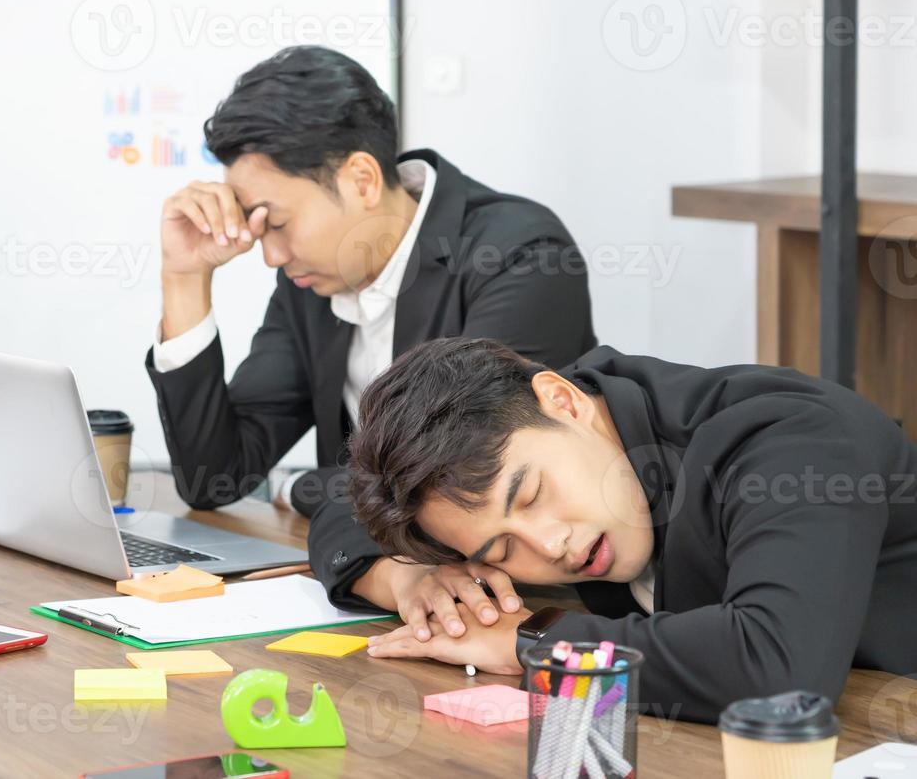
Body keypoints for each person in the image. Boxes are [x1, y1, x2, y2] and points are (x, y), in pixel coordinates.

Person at [146, 45, 595, 637]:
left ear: (360, 179)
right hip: (409, 604)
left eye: (275, 223)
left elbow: (455, 483)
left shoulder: (519, 255)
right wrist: (184, 278)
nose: (271, 255)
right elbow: (213, 476)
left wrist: (301, 485)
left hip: (537, 610)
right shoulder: (311, 277)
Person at [340, 336, 917, 723]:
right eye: (501, 548)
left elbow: (778, 669)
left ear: (563, 401)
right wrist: (402, 578)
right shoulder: (583, 437)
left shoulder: (791, 442)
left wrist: (536, 643)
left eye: (533, 493)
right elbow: (332, 503)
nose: (549, 544)